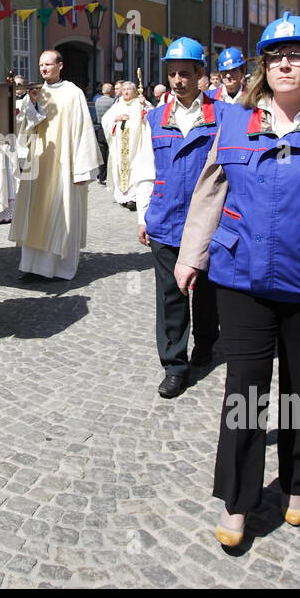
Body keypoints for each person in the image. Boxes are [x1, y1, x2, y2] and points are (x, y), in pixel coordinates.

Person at [174, 13, 300, 548]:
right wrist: (191, 255)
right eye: (277, 56)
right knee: (245, 392)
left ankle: (297, 483)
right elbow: (211, 191)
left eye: (299, 56)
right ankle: (239, 501)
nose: (287, 64)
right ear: (265, 66)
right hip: (242, 279)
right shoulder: (236, 120)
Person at [127, 38, 223, 399]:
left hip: (210, 223)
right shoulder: (155, 118)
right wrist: (142, 215)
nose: (178, 80)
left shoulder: (223, 117)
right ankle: (174, 364)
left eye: (185, 73)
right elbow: (144, 169)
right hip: (166, 219)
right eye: (172, 74)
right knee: (171, 295)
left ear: (201, 75)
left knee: (208, 292)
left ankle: (207, 341)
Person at [10, 49, 101, 281]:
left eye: (48, 64)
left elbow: (82, 130)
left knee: (62, 212)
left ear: (60, 65)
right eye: (41, 65)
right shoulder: (35, 92)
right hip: (38, 160)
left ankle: (59, 268)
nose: (43, 69)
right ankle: (31, 267)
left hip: (63, 162)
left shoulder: (73, 93)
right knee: (34, 212)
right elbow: (23, 127)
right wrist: (29, 103)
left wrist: (82, 167)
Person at [102, 78, 150, 209]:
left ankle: (133, 198)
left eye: (129, 89)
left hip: (136, 146)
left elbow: (152, 116)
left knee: (135, 169)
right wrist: (116, 119)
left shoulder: (139, 103)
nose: (126, 92)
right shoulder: (118, 105)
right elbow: (105, 120)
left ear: (135, 91)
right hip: (120, 147)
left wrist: (145, 105)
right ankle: (122, 196)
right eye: (124, 90)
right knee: (120, 169)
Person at [92, 82, 116, 185]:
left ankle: (100, 175)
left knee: (102, 152)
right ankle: (107, 175)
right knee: (108, 153)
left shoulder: (97, 101)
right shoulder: (113, 101)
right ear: (110, 91)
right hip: (109, 128)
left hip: (100, 128)